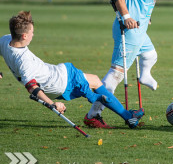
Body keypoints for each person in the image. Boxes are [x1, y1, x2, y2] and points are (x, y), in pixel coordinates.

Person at [84, 0, 173, 128]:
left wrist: (145, 17)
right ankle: (93, 114)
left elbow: (141, 0)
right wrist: (127, 16)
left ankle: (145, 75)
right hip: (129, 31)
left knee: (150, 54)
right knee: (116, 74)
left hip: (140, 29)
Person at [0, 11, 145, 129]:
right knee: (92, 86)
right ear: (24, 36)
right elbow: (32, 87)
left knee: (94, 80)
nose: (33, 35)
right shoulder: (23, 60)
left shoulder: (6, 40)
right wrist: (52, 104)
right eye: (32, 32)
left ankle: (122, 115)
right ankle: (123, 116)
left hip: (57, 74)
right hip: (60, 81)